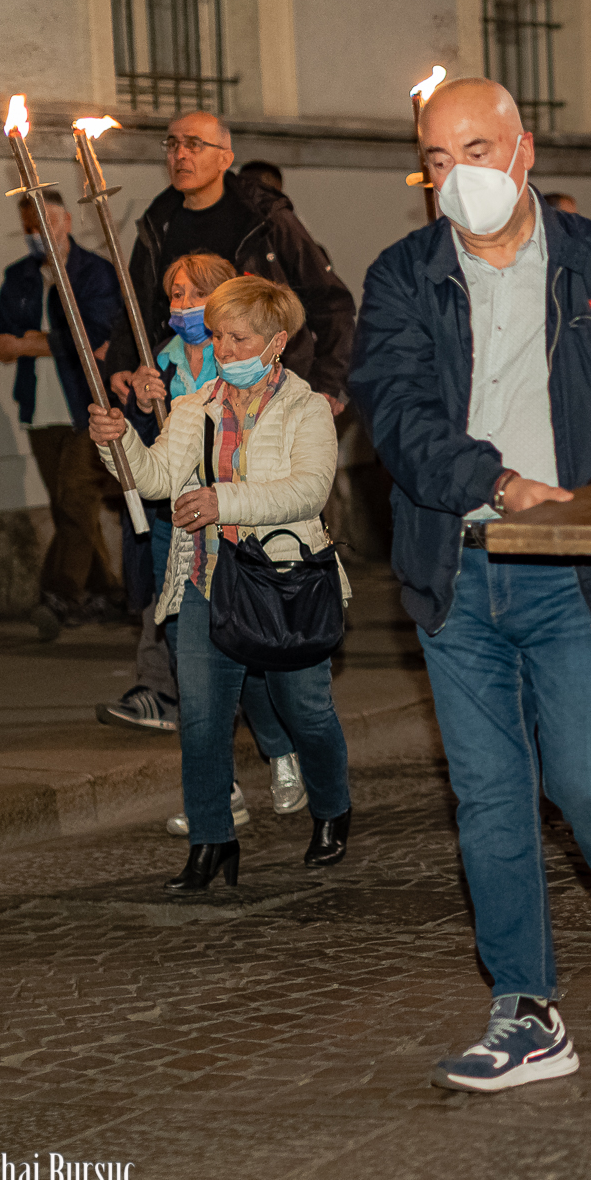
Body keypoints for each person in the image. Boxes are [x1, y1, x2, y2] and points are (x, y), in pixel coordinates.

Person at [348, 78, 591, 1093]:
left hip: (576, 571)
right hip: (457, 570)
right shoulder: (403, 277)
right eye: (437, 160)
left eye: (476, 151)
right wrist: (496, 483)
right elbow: (396, 415)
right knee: (488, 797)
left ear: (523, 149)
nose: (457, 176)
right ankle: (525, 1009)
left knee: (589, 786)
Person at [87, 275, 354, 894]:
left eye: (240, 338)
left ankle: (331, 807)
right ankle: (211, 842)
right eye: (218, 337)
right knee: (202, 722)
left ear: (276, 342)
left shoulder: (307, 408)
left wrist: (221, 500)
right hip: (207, 579)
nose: (225, 350)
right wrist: (119, 443)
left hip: (285, 584)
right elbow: (157, 478)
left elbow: (308, 490)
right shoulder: (193, 406)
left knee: (306, 711)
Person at [110, 253, 313, 832]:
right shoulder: (159, 363)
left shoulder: (244, 360)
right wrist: (136, 409)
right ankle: (218, 793)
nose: (184, 306)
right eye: (175, 295)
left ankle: (280, 750)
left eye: (196, 294)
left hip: (241, 527)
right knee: (191, 661)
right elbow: (151, 460)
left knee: (250, 655)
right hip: (176, 526)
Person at [115, 110, 356, 417]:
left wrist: (330, 383)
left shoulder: (265, 218)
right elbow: (136, 302)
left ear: (225, 159)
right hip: (185, 393)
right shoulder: (158, 222)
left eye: (194, 144)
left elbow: (330, 301)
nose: (180, 155)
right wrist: (122, 363)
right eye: (172, 144)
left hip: (272, 392)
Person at [0, 189, 125, 638]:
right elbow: (2, 341)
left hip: (87, 405)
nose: (37, 233)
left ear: (66, 220)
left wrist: (30, 343)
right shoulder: (19, 277)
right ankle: (107, 590)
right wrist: (37, 343)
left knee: (77, 497)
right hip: (40, 407)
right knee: (68, 503)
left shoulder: (94, 273)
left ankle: (59, 593)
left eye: (45, 222)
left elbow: (94, 338)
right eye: (29, 226)